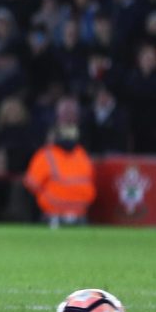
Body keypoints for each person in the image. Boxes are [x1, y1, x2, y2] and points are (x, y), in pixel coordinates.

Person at [23, 97, 96, 226]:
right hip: (80, 212)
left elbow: (31, 184)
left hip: (53, 211)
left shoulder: (46, 154)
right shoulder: (82, 154)